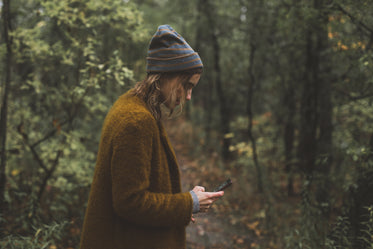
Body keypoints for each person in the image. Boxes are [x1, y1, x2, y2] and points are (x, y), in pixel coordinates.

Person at [79, 24, 224, 249]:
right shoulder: (136, 120)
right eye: (186, 85)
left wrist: (185, 203)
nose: (188, 96)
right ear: (166, 75)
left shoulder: (133, 105)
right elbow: (130, 202)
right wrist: (189, 203)